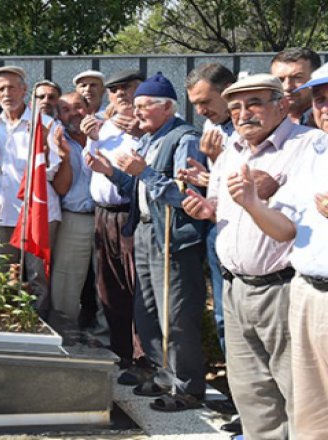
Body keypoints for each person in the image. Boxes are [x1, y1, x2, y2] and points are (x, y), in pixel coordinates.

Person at [182, 73, 316, 439]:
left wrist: (260, 200)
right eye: (237, 107)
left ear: (282, 105)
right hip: (235, 288)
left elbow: (294, 223)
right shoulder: (231, 151)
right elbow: (228, 208)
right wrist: (207, 208)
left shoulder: (309, 147)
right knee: (251, 392)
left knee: (297, 393)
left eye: (255, 103)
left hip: (284, 288)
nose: (244, 114)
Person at [89, 72, 207, 412]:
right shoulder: (149, 139)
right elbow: (137, 189)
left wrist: (145, 172)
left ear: (166, 107)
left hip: (170, 235)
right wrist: (111, 172)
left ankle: (187, 386)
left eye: (143, 106)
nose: (135, 113)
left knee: (176, 313)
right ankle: (162, 372)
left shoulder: (184, 138)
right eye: (135, 105)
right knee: (148, 311)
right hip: (141, 231)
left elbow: (184, 195)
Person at [246, 65, 328, 440]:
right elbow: (286, 229)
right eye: (322, 99)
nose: (324, 107)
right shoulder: (316, 150)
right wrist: (251, 203)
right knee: (311, 413)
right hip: (306, 292)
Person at [82, 69, 149, 384]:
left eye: (128, 89)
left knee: (136, 287)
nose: (121, 95)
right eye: (115, 91)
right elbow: (90, 162)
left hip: (130, 214)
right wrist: (93, 137)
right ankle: (121, 351)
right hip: (103, 213)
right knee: (109, 288)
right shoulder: (103, 126)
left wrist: (139, 134)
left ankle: (142, 357)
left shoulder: (147, 126)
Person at [0, 66, 58, 307]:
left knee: (39, 278)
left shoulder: (46, 125)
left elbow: (52, 170)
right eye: (0, 89)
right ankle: (9, 328)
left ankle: (40, 329)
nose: (7, 93)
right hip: (3, 212)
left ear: (24, 90)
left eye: (11, 87)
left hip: (38, 213)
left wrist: (46, 149)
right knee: (5, 276)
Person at [182, 62, 236, 356]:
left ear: (227, 91)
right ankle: (236, 387)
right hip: (218, 228)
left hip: (253, 235)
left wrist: (219, 166)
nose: (200, 110)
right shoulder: (210, 126)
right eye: (195, 104)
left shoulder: (254, 128)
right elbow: (216, 177)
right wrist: (206, 175)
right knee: (223, 314)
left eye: (205, 102)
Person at [49, 92, 98, 337]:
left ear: (89, 108)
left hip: (107, 215)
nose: (73, 113)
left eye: (78, 107)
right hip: (75, 216)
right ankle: (64, 329)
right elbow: (60, 188)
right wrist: (65, 157)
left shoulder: (106, 133)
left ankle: (107, 334)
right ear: (58, 115)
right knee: (67, 277)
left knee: (110, 281)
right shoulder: (56, 138)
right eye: (65, 109)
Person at [270, 47, 322, 127]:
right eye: (280, 80)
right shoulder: (264, 124)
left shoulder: (323, 123)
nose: (287, 87)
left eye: (297, 78)